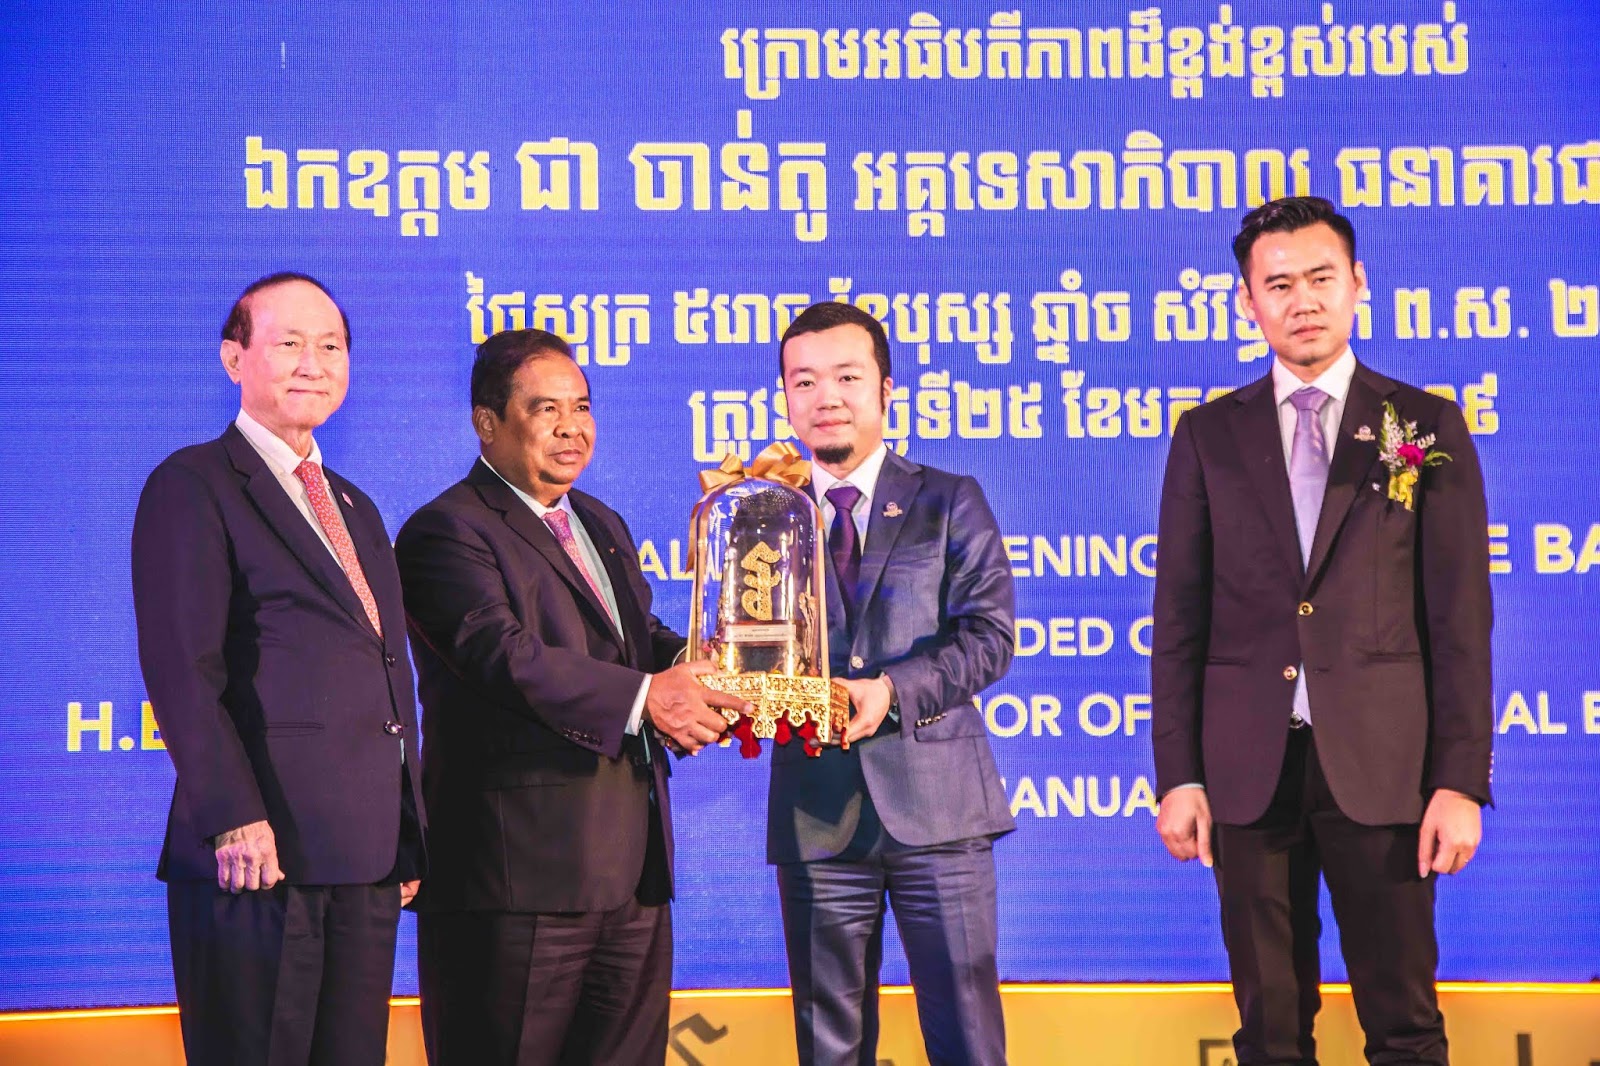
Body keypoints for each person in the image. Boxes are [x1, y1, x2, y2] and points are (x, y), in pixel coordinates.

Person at [1151, 196, 1493, 1065]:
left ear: (1357, 283)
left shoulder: (1423, 426)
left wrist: (1459, 781)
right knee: (1269, 1031)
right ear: (1247, 302)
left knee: (1404, 1023)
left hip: (1385, 770)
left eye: (1320, 278)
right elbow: (1180, 621)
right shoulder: (1208, 436)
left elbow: (1460, 623)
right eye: (1278, 285)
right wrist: (1180, 775)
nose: (1302, 300)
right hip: (1247, 774)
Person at [395, 328, 747, 1066]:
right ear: (487, 422)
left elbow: (637, 640)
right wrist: (650, 695)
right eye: (545, 408)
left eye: (581, 407)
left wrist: (716, 665)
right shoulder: (445, 531)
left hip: (633, 874)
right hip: (517, 879)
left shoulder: (599, 520)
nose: (571, 427)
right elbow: (502, 655)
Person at [131, 273, 425, 1066]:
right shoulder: (193, 484)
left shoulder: (356, 505)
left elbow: (387, 672)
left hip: (363, 857)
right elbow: (182, 668)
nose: (313, 364)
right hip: (257, 854)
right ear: (234, 358)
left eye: (331, 346)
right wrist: (232, 814)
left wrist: (407, 826)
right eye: (289, 343)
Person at [769, 301, 1016, 1066]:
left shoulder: (948, 499)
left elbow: (990, 637)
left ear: (886, 390)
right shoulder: (761, 517)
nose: (826, 397)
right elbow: (743, 651)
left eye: (847, 377)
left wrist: (892, 690)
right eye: (804, 381)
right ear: (785, 398)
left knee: (967, 1037)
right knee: (828, 1046)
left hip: (940, 811)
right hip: (817, 814)